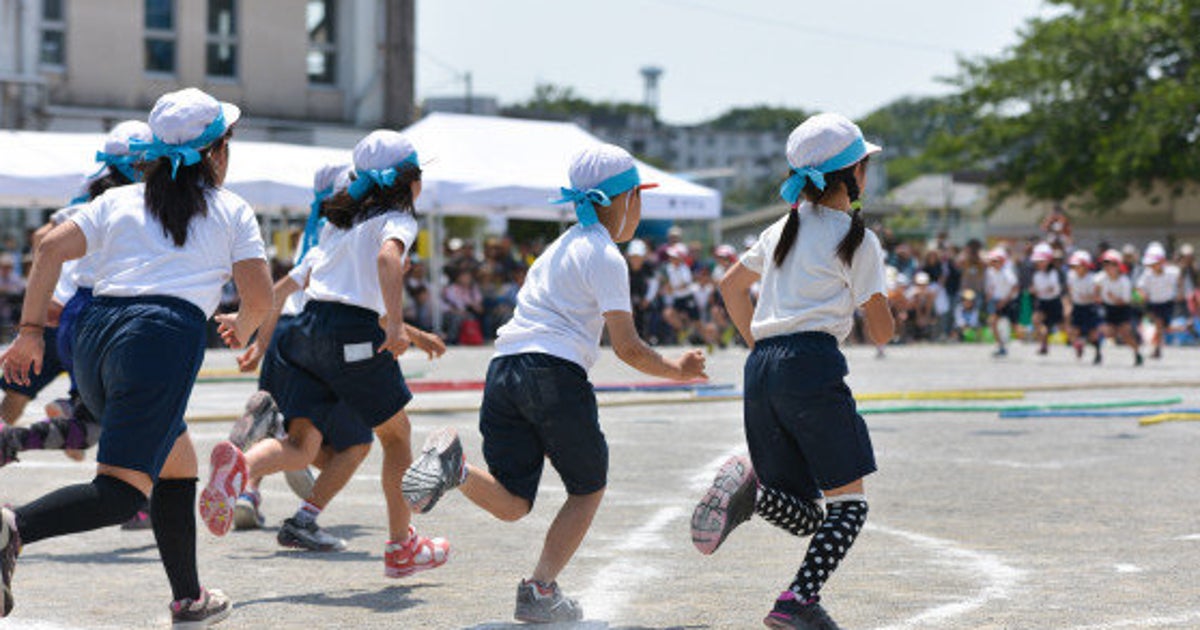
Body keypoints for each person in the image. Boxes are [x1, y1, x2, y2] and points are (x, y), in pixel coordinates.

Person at [401, 144, 706, 624]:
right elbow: (627, 347)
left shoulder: (556, 248)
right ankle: (541, 589)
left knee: (513, 501)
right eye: (638, 198)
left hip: (503, 370)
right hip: (554, 374)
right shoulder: (605, 255)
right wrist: (678, 370)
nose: (640, 210)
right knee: (588, 485)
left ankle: (454, 466)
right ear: (620, 200)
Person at [0, 87, 272, 625]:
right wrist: (242, 326)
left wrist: (30, 331)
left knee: (177, 465)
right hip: (160, 341)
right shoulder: (230, 209)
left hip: (94, 338)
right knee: (121, 493)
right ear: (217, 152)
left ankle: (189, 599)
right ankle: (13, 527)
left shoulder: (117, 200)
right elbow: (260, 295)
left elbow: (49, 247)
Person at [199, 129, 453, 579]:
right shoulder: (397, 220)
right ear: (408, 182)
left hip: (306, 332)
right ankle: (401, 546)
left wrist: (247, 321)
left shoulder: (339, 224)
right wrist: (396, 326)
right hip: (351, 336)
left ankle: (241, 467)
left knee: (302, 443)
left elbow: (291, 285)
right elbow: (388, 262)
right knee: (396, 436)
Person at [690, 113, 892, 629]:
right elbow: (883, 331)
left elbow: (730, 286)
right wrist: (886, 304)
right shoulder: (857, 237)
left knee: (804, 513)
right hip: (812, 366)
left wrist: (759, 343)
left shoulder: (781, 228)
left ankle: (752, 493)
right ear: (854, 175)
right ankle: (797, 599)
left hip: (762, 369)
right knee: (850, 507)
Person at [0, 120, 152, 480]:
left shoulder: (89, 191)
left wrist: (55, 288)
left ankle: (65, 416)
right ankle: (138, 499)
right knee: (144, 413)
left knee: (16, 395)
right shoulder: (142, 203)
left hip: (61, 312)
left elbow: (42, 239)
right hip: (105, 315)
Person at [1096, 249, 1143, 366]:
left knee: (1125, 334)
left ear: (1118, 266)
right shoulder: (1101, 278)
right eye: (1105, 264)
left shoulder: (1124, 281)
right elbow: (1095, 288)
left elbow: (1126, 300)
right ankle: (1098, 353)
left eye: (1111, 264)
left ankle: (1137, 353)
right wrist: (1097, 296)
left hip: (1122, 309)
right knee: (1106, 332)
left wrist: (1114, 298)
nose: (1108, 267)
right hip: (1108, 308)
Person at [1135, 243, 1178, 360]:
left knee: (1164, 326)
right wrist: (1142, 296)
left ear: (1162, 262)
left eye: (1155, 264)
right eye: (1151, 264)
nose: (1153, 266)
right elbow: (1139, 288)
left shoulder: (1172, 272)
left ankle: (1157, 347)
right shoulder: (1147, 274)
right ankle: (1157, 348)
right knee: (1159, 324)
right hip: (1153, 303)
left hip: (1168, 303)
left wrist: (1179, 294)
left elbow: (1179, 283)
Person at [1066, 251, 1103, 364]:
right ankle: (1079, 347)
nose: (1076, 268)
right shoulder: (1071, 276)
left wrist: (1089, 297)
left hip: (1089, 307)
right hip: (1078, 306)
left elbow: (1097, 296)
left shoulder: (1093, 279)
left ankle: (1097, 352)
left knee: (1092, 333)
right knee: (1074, 330)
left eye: (1079, 266)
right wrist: (1070, 302)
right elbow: (1070, 290)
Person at [1029, 242, 1065, 355]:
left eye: (1042, 261)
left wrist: (1042, 290)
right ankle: (1043, 345)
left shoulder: (1054, 273)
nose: (1039, 263)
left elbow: (1054, 289)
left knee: (1062, 326)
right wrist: (1035, 290)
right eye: (1038, 261)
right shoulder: (1036, 274)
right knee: (1036, 320)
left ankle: (1076, 343)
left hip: (1054, 302)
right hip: (1042, 302)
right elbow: (1037, 289)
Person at [985, 247, 1019, 357]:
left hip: (1008, 301)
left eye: (996, 261)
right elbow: (992, 285)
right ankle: (1000, 346)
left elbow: (1014, 287)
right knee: (993, 322)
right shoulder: (990, 271)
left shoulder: (1007, 272)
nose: (993, 263)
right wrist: (990, 295)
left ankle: (1029, 339)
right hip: (997, 300)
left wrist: (1005, 301)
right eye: (992, 261)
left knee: (1015, 325)